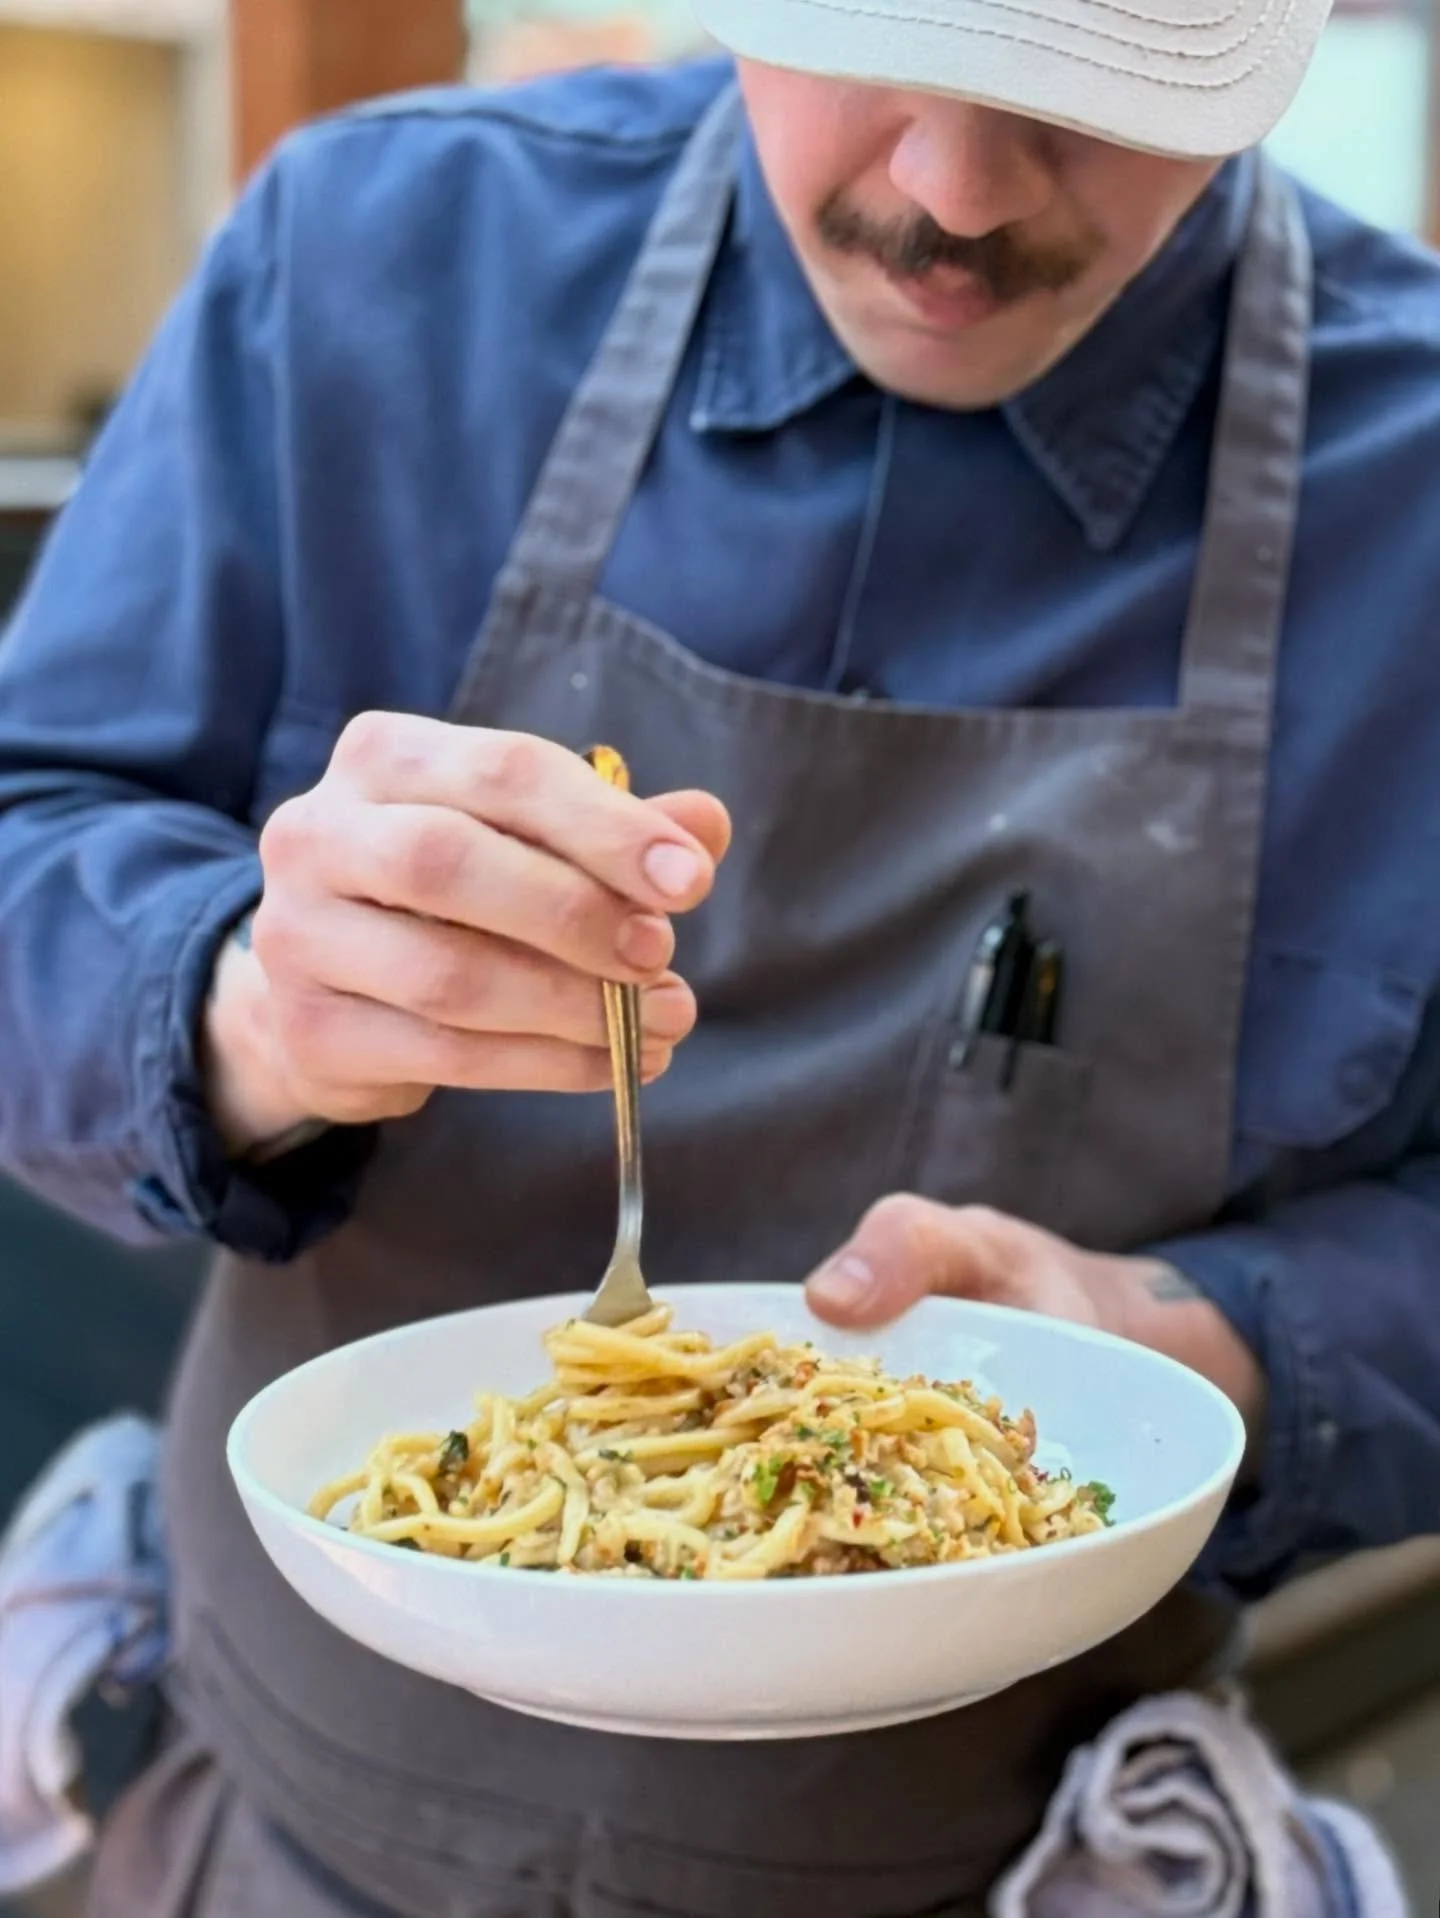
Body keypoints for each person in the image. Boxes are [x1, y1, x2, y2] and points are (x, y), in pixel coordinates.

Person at [0, 0, 1438, 1908]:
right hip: (276, 1827)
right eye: (869, 35)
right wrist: (247, 1002)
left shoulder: (1411, 485)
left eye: (1100, 83)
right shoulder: (373, 261)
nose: (952, 194)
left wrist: (1199, 1336)